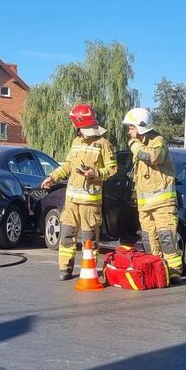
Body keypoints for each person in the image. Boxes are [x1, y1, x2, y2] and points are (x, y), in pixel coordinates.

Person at [40, 103, 117, 280]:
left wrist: (94, 173)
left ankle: (88, 269)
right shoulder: (76, 142)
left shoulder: (103, 144)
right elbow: (68, 165)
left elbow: (112, 169)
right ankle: (64, 269)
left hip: (90, 201)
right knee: (67, 234)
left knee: (89, 238)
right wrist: (52, 177)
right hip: (72, 201)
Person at [123, 107, 182, 279]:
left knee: (166, 236)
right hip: (145, 205)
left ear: (141, 127)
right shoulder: (140, 145)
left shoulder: (158, 141)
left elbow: (154, 157)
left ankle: (174, 270)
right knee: (149, 239)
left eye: (131, 127)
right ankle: (156, 268)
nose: (129, 131)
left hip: (162, 203)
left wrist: (135, 145)